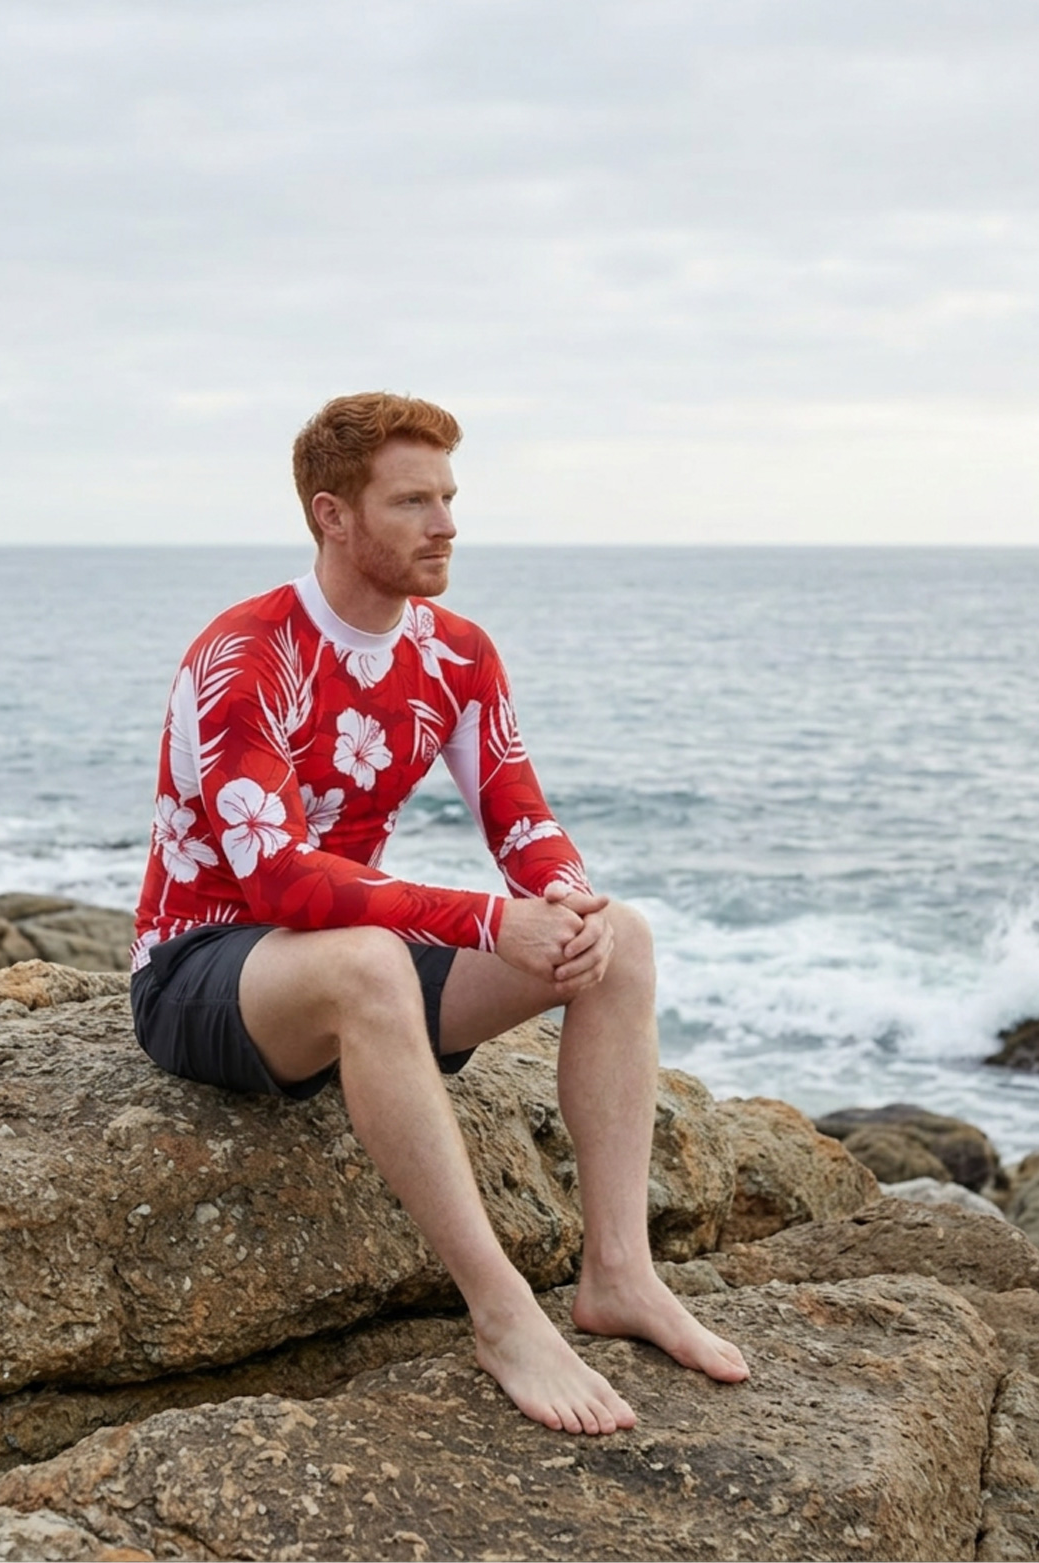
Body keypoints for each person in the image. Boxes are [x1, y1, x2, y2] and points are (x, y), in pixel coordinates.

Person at [130, 392, 749, 1435]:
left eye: (449, 497)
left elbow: (519, 814)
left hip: (340, 956)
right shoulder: (245, 654)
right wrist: (478, 921)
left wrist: (563, 898)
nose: (446, 524)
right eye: (412, 501)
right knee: (371, 959)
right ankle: (502, 1313)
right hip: (205, 968)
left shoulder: (455, 653)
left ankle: (618, 1275)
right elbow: (278, 880)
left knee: (620, 941)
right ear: (332, 515)